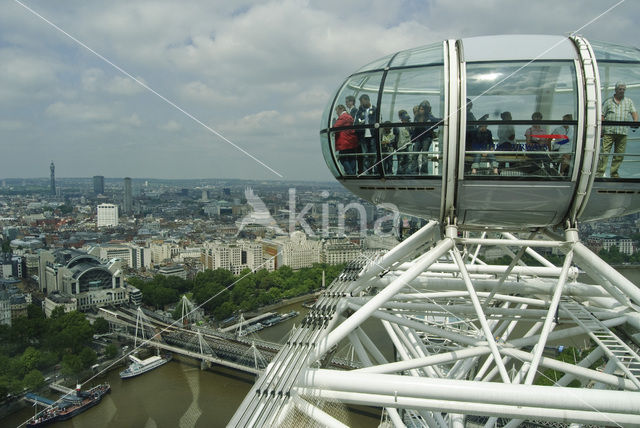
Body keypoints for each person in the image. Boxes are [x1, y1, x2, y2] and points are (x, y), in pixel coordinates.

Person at [597, 82, 639, 178]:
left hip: (622, 132)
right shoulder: (608, 102)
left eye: (623, 89)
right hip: (609, 132)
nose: (622, 91)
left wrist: (635, 121)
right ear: (616, 90)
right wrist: (602, 129)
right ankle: (600, 172)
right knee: (604, 153)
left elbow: (634, 112)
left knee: (619, 154)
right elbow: (602, 115)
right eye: (620, 89)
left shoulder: (628, 102)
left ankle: (614, 173)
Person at [411, 100, 439, 174]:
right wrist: (413, 138)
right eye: (420, 108)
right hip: (418, 139)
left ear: (426, 109)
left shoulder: (429, 117)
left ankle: (424, 172)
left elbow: (436, 121)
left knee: (424, 156)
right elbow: (415, 128)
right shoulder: (417, 117)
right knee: (414, 155)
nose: (421, 110)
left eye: (422, 109)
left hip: (426, 138)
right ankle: (414, 171)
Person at [354, 94, 378, 174]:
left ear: (367, 100)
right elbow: (356, 122)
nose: (361, 104)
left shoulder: (375, 110)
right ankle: (367, 171)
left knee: (373, 154)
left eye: (362, 102)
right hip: (363, 136)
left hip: (373, 136)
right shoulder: (360, 111)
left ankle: (374, 170)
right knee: (365, 155)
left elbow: (377, 121)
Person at [333, 104, 359, 175]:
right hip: (351, 141)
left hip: (344, 142)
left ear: (340, 110)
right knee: (351, 158)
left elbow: (335, 127)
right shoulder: (350, 117)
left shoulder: (343, 117)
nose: (337, 113)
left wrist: (334, 122)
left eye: (337, 111)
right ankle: (353, 173)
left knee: (343, 158)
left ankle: (349, 172)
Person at [395, 110, 413, 174]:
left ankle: (407, 173)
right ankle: (400, 173)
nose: (407, 121)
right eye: (405, 119)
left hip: (407, 144)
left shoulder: (409, 126)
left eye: (407, 119)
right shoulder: (398, 126)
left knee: (408, 159)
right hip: (401, 145)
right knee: (401, 160)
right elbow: (396, 136)